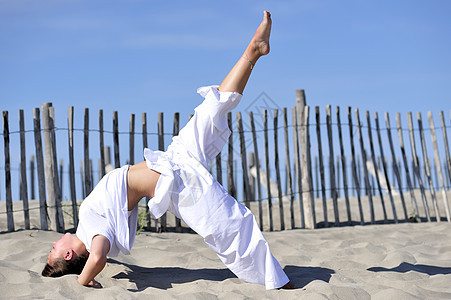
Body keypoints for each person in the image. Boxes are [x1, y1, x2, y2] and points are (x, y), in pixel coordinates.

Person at [42, 11, 294, 290]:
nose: (53, 242)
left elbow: (101, 253)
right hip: (177, 184)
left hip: (173, 159)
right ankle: (276, 281)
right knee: (231, 226)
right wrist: (83, 279)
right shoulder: (89, 231)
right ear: (67, 254)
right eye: (53, 249)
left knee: (211, 111)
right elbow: (98, 255)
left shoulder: (88, 226)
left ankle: (253, 51)